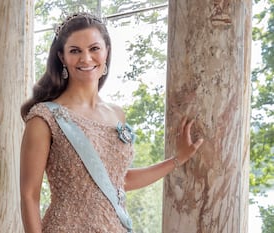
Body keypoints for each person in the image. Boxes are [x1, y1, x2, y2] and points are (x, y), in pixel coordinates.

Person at [20, 12, 204, 233]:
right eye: (75, 51)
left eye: (94, 48)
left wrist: (177, 160)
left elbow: (119, 181)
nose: (86, 58)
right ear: (62, 57)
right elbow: (29, 195)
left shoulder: (116, 114)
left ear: (106, 51)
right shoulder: (44, 118)